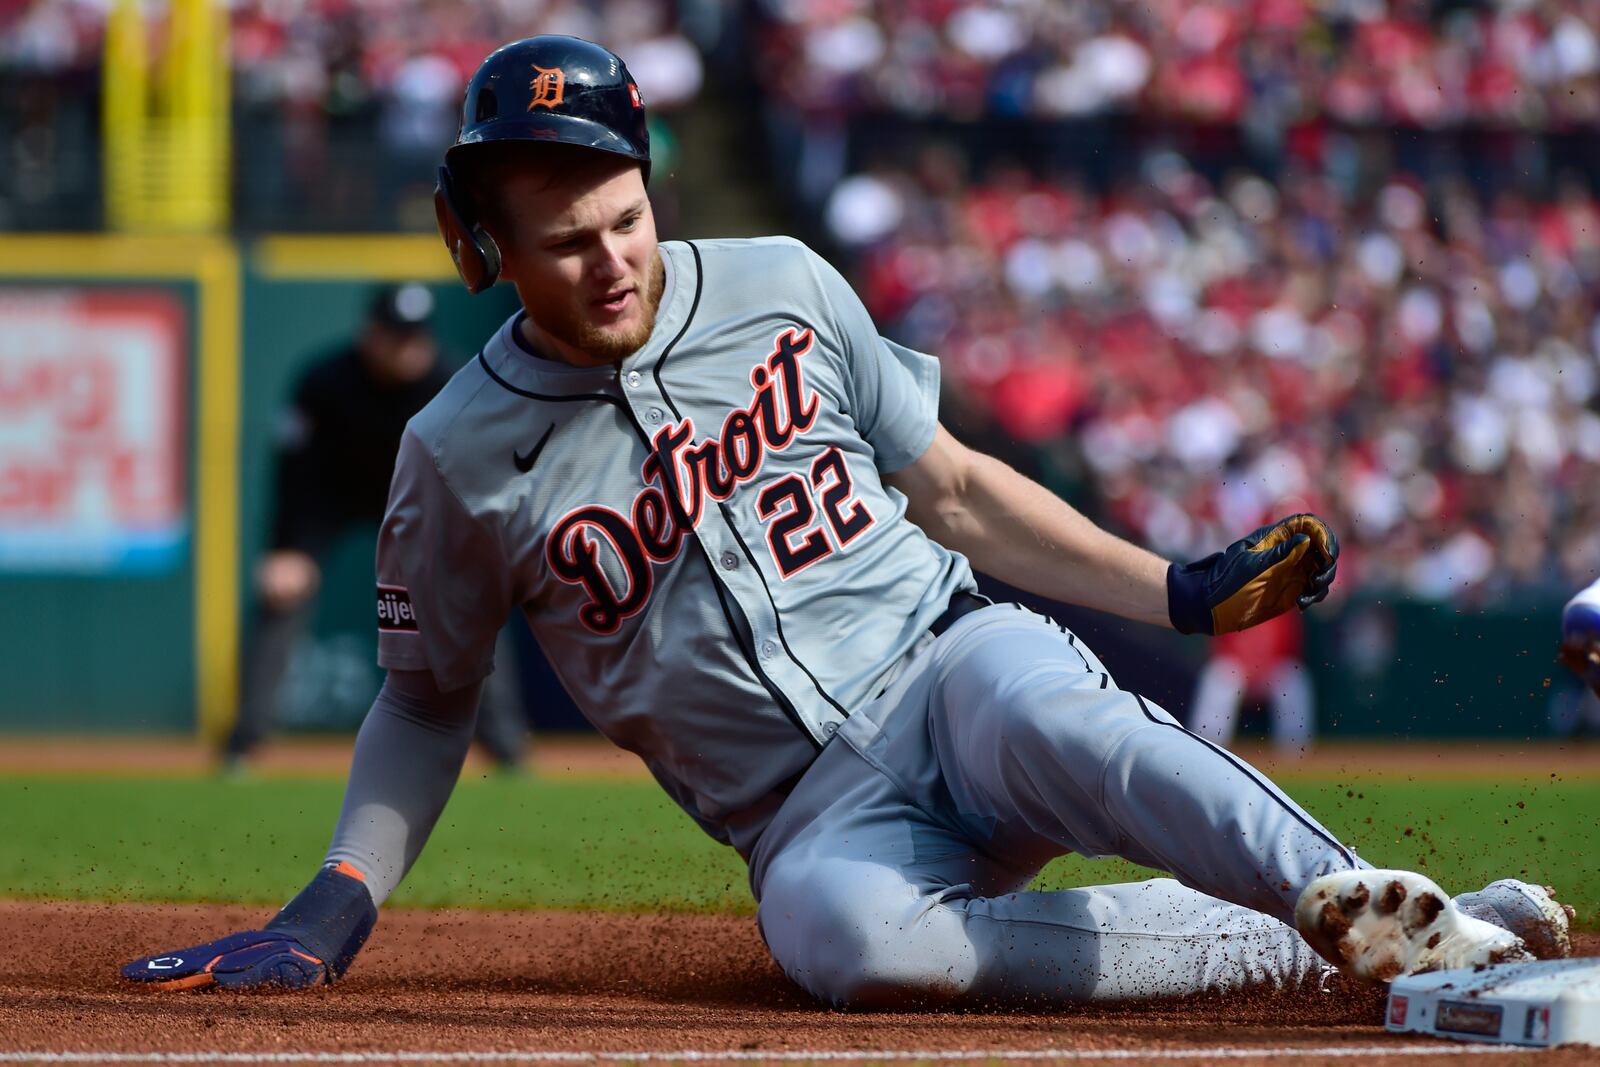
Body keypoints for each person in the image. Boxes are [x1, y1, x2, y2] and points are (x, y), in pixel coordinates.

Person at [125, 36, 1573, 1002]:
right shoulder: (455, 456)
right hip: (805, 815)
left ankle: (1353, 896)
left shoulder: (778, 280)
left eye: (625, 214)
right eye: (565, 239)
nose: (613, 256)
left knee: (1067, 721)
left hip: (947, 663)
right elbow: (426, 701)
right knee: (841, 939)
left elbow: (943, 482)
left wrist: (1176, 594)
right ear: (483, 249)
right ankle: (1342, 943)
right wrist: (335, 902)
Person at [222, 283, 529, 774]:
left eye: (416, 336)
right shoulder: (324, 380)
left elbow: (484, 470)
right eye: (395, 335)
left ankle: (506, 746)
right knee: (282, 591)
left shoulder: (454, 381)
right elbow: (295, 472)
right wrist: (287, 548)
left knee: (472, 599)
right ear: (370, 334)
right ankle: (244, 744)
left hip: (421, 501)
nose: (407, 347)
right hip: (333, 498)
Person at [1188, 610, 1314, 757]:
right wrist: (1250, 668)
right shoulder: (1232, 600)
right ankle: (1207, 748)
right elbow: (1219, 646)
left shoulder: (1282, 604)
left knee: (1294, 678)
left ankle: (1295, 752)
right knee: (1217, 675)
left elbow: (1291, 647)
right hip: (1238, 669)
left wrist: (1262, 669)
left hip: (1271, 670)